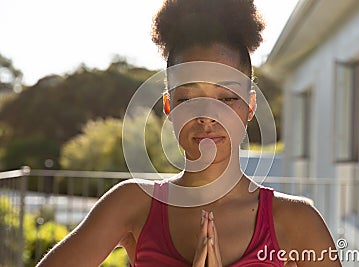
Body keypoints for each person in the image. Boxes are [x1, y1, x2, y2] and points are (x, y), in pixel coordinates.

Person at [37, 0, 342, 266]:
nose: (208, 116)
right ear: (170, 107)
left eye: (227, 98)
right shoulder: (131, 204)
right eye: (189, 99)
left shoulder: (297, 222)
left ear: (250, 107)